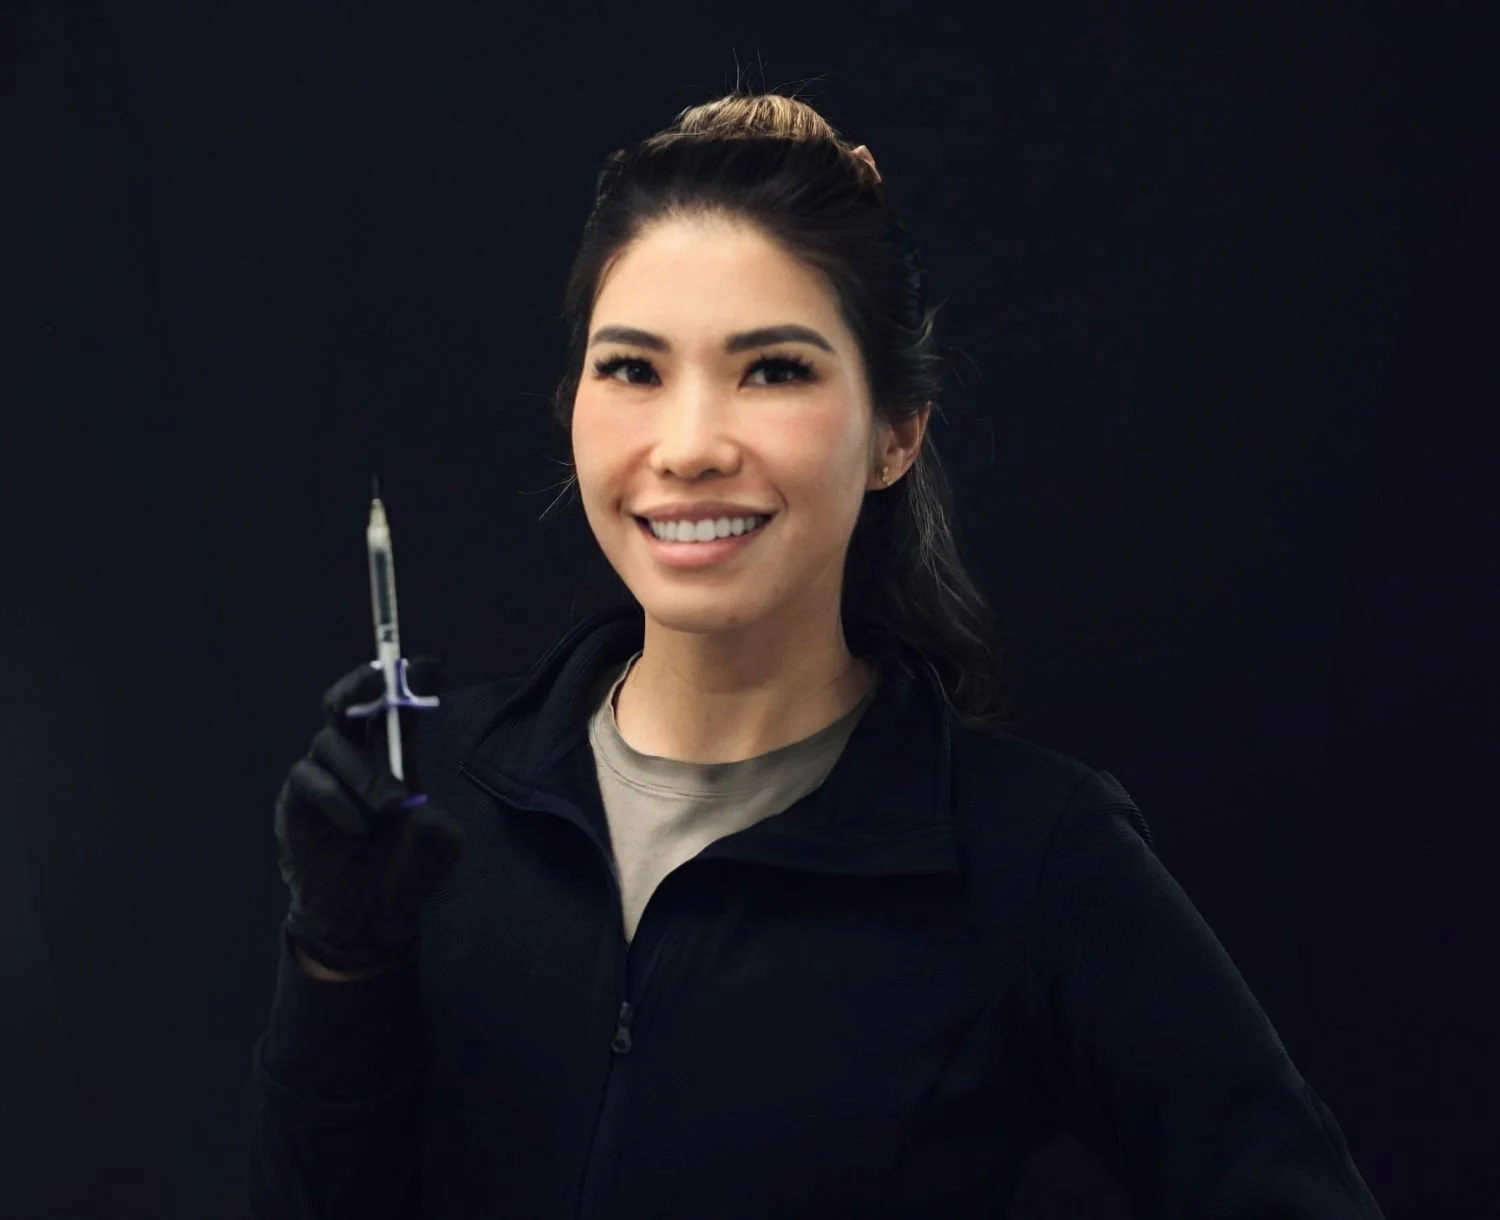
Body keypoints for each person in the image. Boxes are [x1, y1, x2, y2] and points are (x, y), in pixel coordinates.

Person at [246, 90, 1385, 1218]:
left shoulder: (1028, 856)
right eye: (632, 368)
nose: (688, 446)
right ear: (573, 404)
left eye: (775, 368)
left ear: (896, 431)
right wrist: (337, 958)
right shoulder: (429, 793)